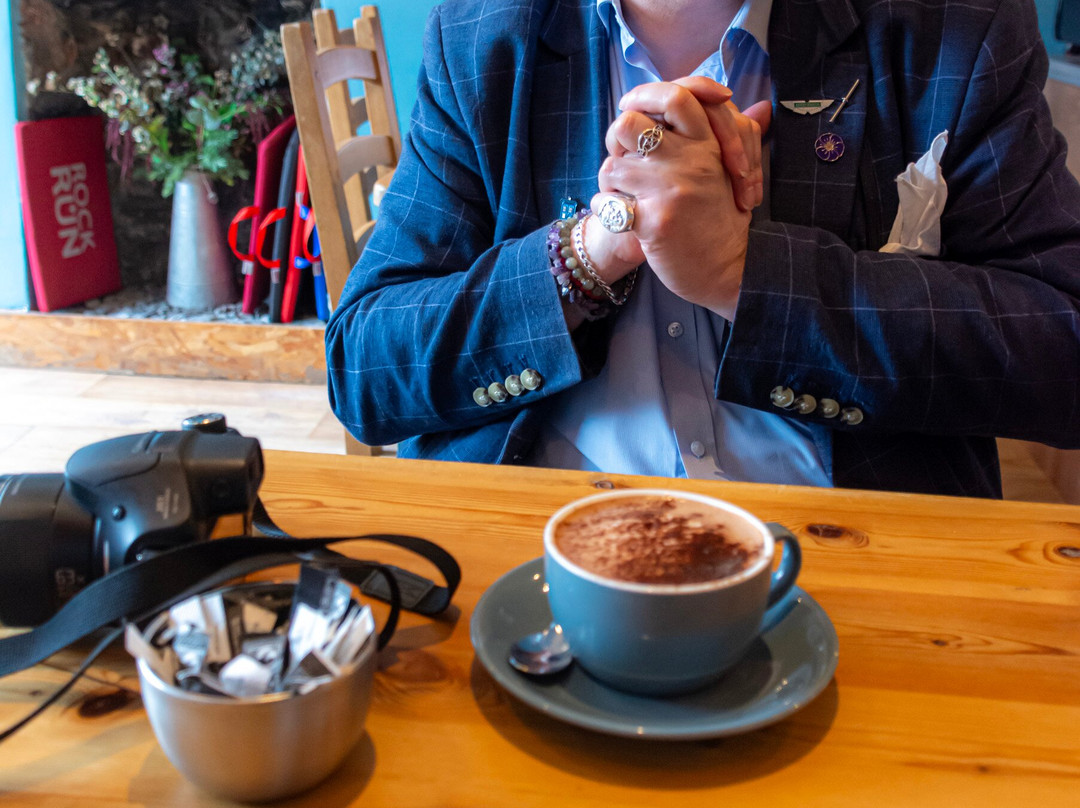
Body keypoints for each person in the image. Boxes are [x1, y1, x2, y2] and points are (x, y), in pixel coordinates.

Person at [325, 0, 1080, 498]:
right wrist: (585, 255)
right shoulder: (479, 37)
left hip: (849, 544)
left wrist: (745, 274)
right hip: (543, 545)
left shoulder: (956, 27)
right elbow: (363, 367)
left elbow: (1063, 347)